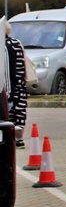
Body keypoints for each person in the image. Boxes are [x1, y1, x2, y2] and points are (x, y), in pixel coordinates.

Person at [5, 20, 28, 148]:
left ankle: (10, 140)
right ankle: (19, 139)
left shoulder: (3, 45)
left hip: (8, 85)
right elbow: (21, 66)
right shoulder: (17, 44)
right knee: (19, 111)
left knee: (7, 113)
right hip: (19, 83)